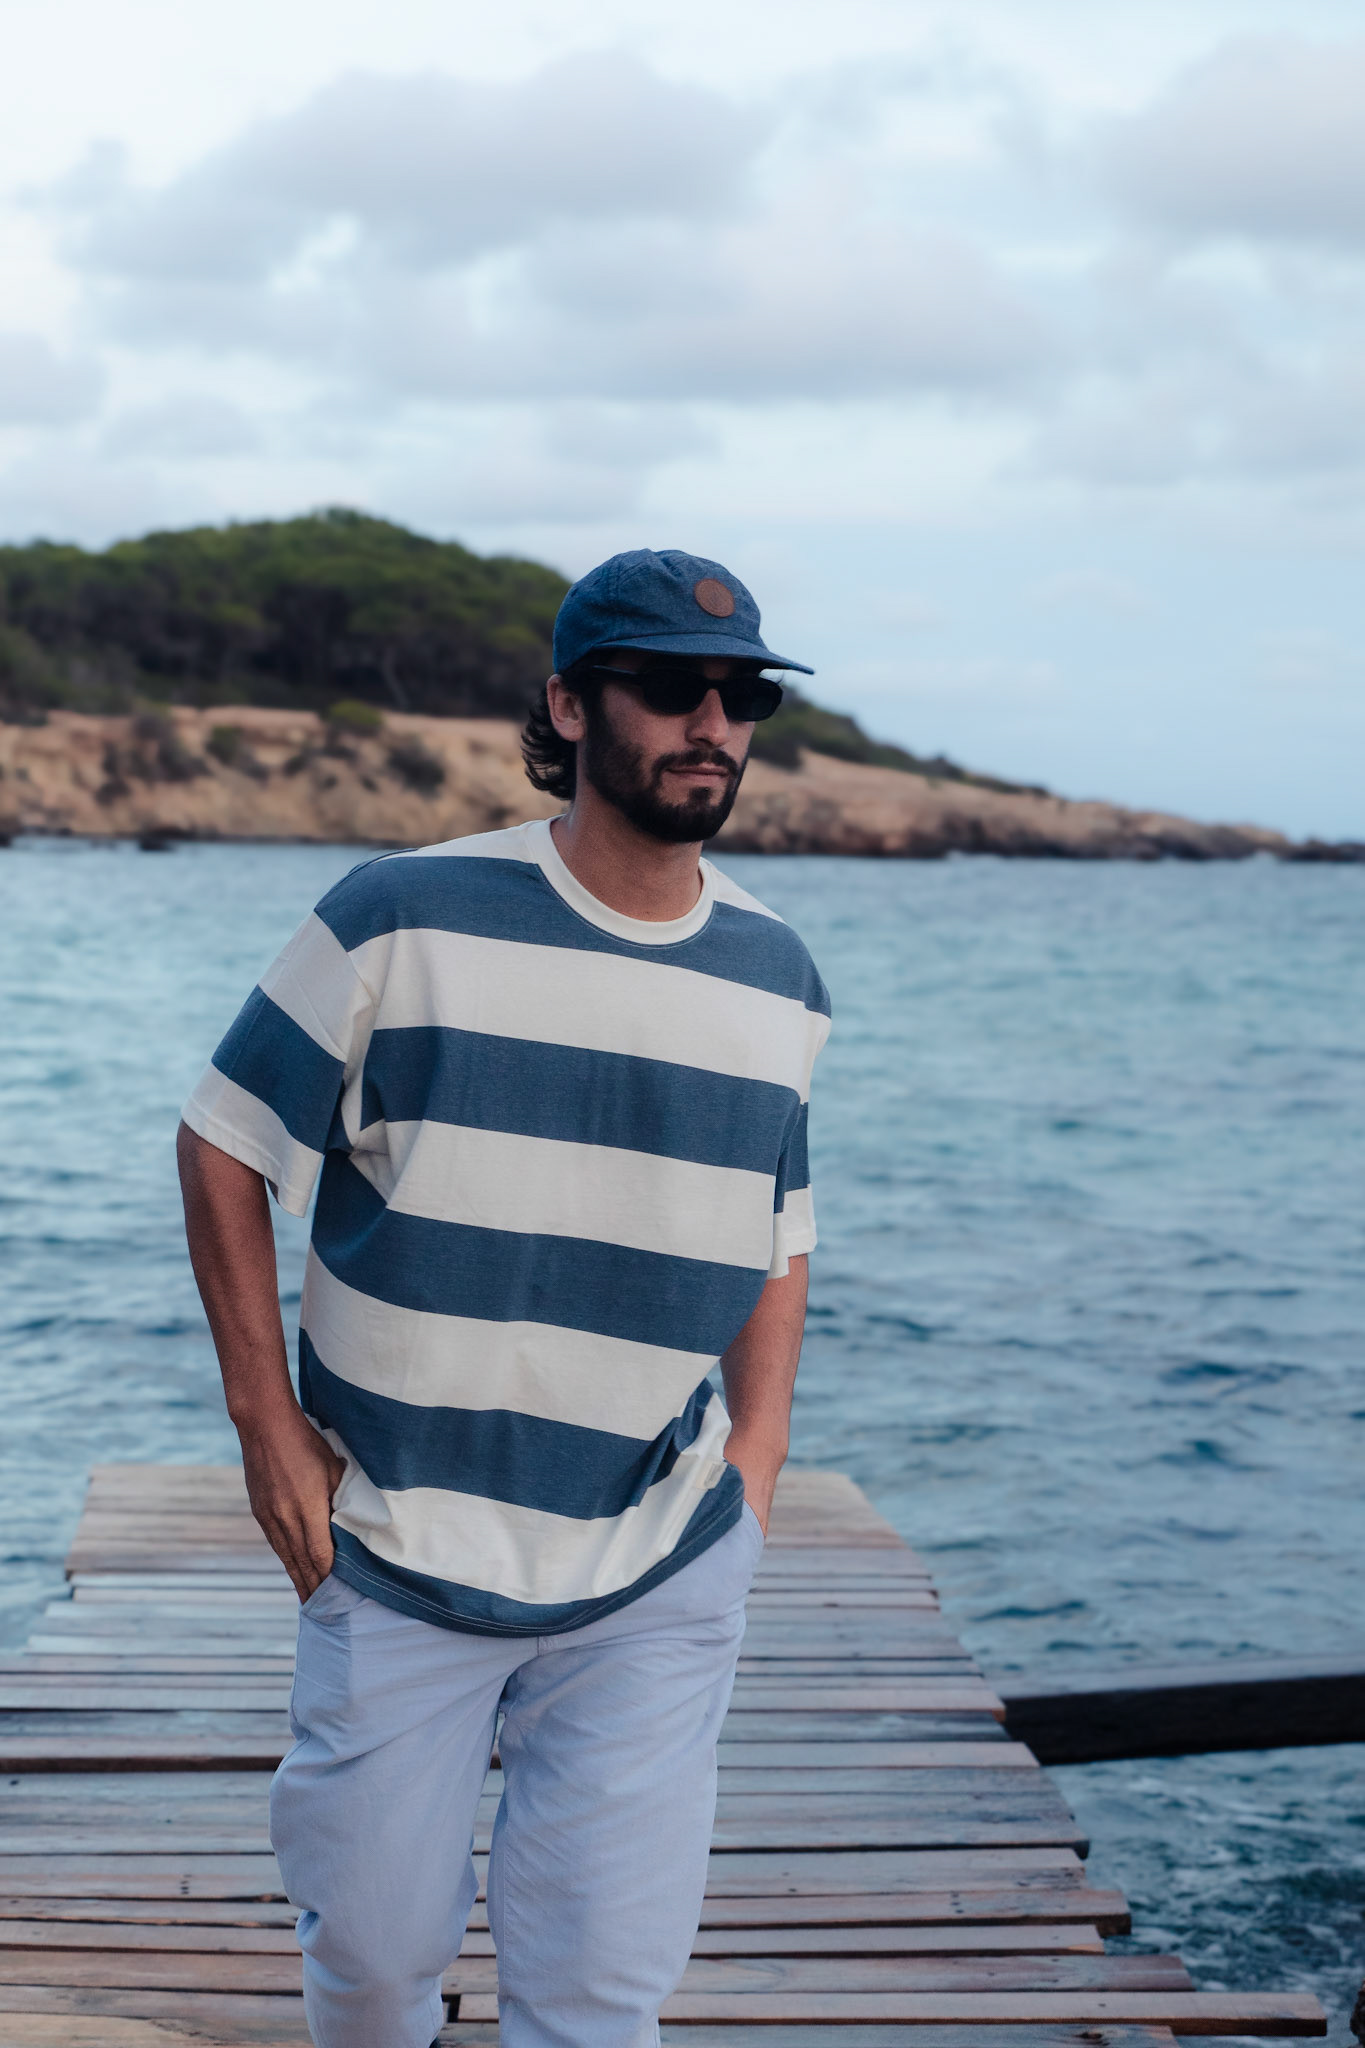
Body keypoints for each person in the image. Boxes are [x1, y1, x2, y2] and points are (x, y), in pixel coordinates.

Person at [177, 547, 831, 2048]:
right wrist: (265, 1426)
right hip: (398, 1540)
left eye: (742, 696)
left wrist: (760, 1453)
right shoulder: (398, 914)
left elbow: (776, 1231)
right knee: (373, 1967)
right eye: (670, 687)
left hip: (659, 1555)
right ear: (570, 704)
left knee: (599, 1995)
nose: (712, 724)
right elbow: (223, 1142)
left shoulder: (777, 977)